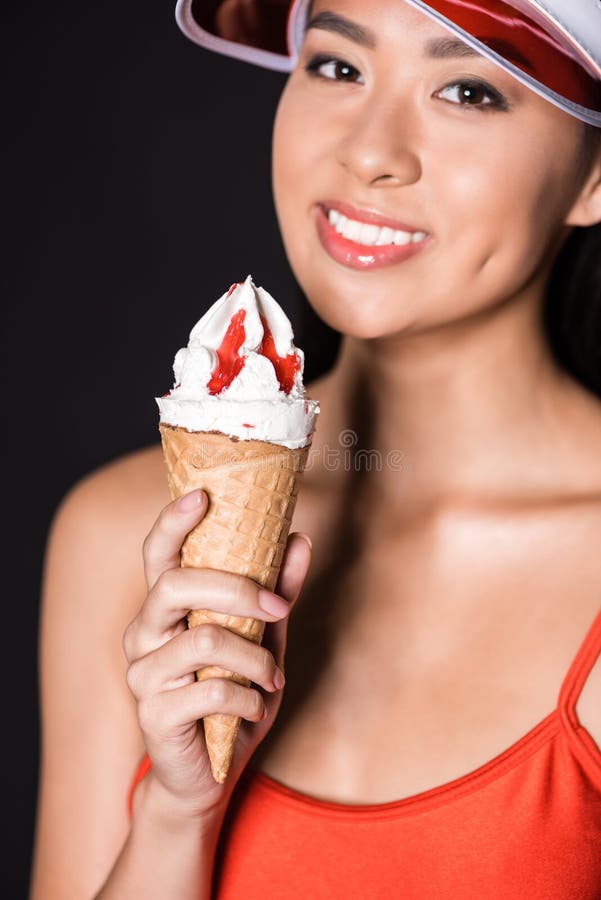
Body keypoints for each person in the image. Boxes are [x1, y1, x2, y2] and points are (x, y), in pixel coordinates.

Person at [30, 1, 601, 897]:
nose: (370, 150)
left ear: (593, 176)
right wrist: (178, 816)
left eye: (466, 89)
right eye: (337, 67)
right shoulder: (119, 536)